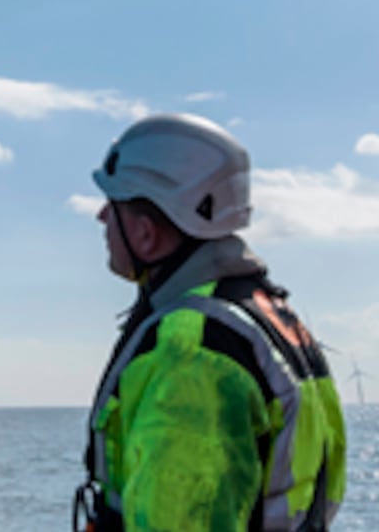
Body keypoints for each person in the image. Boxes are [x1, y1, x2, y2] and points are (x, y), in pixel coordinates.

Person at [75, 113, 346, 531]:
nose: (100, 217)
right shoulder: (272, 321)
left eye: (113, 205)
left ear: (146, 233)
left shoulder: (192, 352)